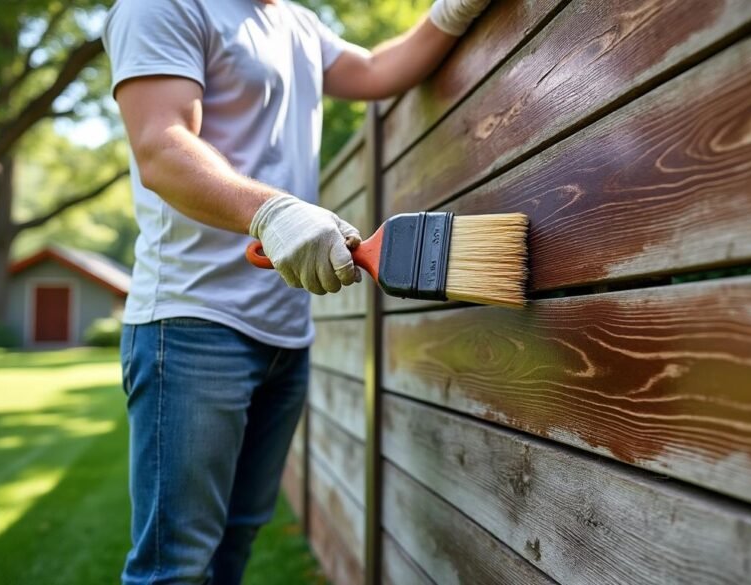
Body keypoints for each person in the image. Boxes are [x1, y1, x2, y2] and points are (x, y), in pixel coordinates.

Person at [102, 0, 489, 582]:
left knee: (234, 546)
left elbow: (377, 70)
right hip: (190, 328)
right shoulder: (164, 6)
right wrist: (271, 212)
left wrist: (452, 13)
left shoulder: (297, 22)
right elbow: (160, 146)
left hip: (285, 333)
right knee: (175, 569)